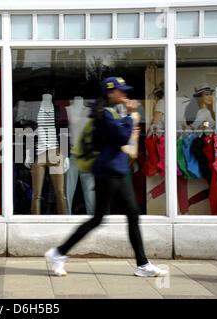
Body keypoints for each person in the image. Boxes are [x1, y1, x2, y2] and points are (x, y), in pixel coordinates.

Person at [45, 77, 169, 277]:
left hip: (116, 171)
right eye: (121, 91)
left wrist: (126, 119)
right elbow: (120, 138)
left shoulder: (111, 112)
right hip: (108, 173)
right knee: (98, 219)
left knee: (131, 215)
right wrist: (130, 117)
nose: (125, 94)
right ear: (110, 93)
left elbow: (120, 137)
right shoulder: (104, 114)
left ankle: (142, 264)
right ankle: (58, 253)